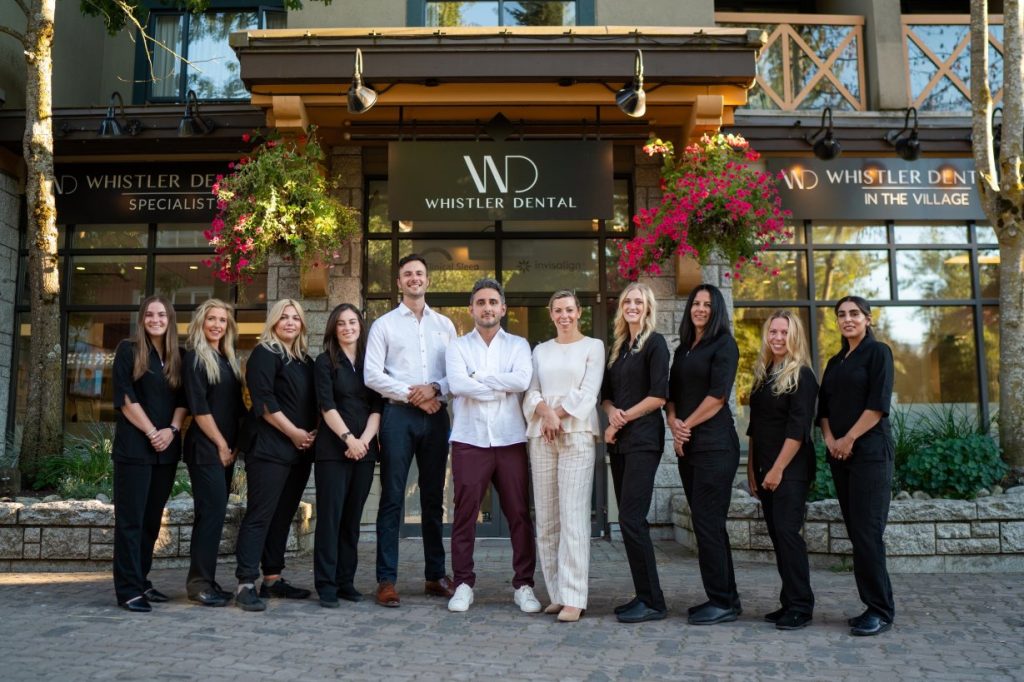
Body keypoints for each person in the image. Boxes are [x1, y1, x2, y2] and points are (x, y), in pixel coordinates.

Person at [364, 254, 457, 607]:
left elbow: (456, 374)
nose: (414, 279)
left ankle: (435, 575)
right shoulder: (384, 325)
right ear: (399, 282)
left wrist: (434, 388)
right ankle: (386, 580)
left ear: (428, 280)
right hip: (398, 416)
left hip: (436, 417)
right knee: (392, 497)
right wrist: (414, 396)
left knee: (434, 498)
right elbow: (372, 375)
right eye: (407, 274)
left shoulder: (445, 326)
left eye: (420, 273)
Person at [445, 278, 539, 614]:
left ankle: (524, 585)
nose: (487, 308)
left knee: (518, 514)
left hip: (510, 438)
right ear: (471, 308)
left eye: (493, 302)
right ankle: (463, 584)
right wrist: (498, 384)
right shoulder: (457, 347)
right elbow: (457, 384)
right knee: (464, 515)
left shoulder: (518, 345)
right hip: (469, 439)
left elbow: (522, 380)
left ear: (503, 308)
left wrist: (478, 381)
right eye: (481, 302)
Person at [524, 290, 604, 623]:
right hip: (542, 435)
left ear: (579, 312)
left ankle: (574, 596)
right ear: (551, 313)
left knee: (573, 516)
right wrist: (546, 414)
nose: (564, 315)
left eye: (569, 310)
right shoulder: (540, 350)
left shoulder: (593, 346)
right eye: (558, 310)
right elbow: (530, 391)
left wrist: (557, 415)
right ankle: (556, 593)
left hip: (576, 434)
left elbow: (588, 392)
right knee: (547, 519)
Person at [817, 296, 896, 637]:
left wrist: (848, 439)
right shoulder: (835, 362)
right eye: (841, 315)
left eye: (854, 314)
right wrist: (832, 440)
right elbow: (823, 410)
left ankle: (880, 610)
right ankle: (870, 605)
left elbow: (877, 405)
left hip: (870, 455)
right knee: (856, 533)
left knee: (867, 532)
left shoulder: (879, 354)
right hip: (840, 456)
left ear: (867, 318)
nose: (847, 319)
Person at [233, 299, 317, 612]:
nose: (290, 322)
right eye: (284, 317)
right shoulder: (264, 354)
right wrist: (294, 432)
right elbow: (264, 402)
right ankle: (244, 583)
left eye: (296, 318)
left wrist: (312, 434)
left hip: (299, 451)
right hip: (269, 448)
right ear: (273, 321)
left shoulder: (305, 361)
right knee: (260, 515)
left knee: (283, 516)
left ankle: (272, 578)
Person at [667, 283, 742, 626]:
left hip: (716, 445)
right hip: (690, 446)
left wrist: (686, 426)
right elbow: (672, 396)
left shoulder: (724, 344)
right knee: (706, 524)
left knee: (709, 523)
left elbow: (717, 396)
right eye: (695, 303)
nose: (699, 309)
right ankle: (725, 597)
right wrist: (675, 425)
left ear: (717, 311)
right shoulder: (683, 349)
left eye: (707, 304)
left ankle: (722, 601)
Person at [111, 295, 187, 612]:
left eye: (161, 315)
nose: (155, 319)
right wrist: (152, 432)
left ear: (170, 319)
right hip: (135, 449)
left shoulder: (177, 356)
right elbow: (126, 398)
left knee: (152, 522)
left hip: (165, 451)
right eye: (149, 314)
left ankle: (141, 581)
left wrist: (171, 430)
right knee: (131, 522)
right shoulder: (128, 351)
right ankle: (127, 590)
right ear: (142, 318)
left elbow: (185, 400)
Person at [601, 283, 670, 624]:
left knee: (631, 518)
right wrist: (612, 412)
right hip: (621, 442)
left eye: (638, 302)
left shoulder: (654, 343)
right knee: (629, 521)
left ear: (647, 307)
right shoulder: (618, 348)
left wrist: (620, 420)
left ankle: (654, 601)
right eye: (627, 300)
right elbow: (606, 395)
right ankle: (643, 595)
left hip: (643, 439)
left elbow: (659, 396)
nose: (632, 306)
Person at [746, 310, 818, 630]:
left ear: (794, 336)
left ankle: (801, 606)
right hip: (765, 469)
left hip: (790, 470)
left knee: (788, 535)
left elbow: (798, 429)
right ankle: (788, 601)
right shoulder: (764, 373)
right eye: (772, 332)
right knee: (778, 536)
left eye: (783, 333)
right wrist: (752, 470)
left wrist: (776, 470)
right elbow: (755, 428)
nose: (777, 338)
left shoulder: (802, 375)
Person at [312, 304, 382, 609]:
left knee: (351, 520)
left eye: (353, 322)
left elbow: (378, 407)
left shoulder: (371, 363)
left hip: (364, 452)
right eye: (341, 323)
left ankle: (345, 581)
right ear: (333, 328)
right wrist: (348, 440)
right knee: (330, 518)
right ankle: (326, 584)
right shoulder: (324, 362)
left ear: (360, 326)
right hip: (333, 451)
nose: (347, 327)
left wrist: (363, 442)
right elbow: (327, 406)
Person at [182, 299, 244, 608]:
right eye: (211, 319)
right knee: (210, 515)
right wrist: (221, 444)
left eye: (222, 320)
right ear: (201, 323)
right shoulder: (195, 357)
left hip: (224, 450)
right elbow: (200, 408)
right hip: (206, 449)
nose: (217, 324)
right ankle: (197, 583)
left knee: (215, 516)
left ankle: (207, 578)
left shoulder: (227, 358)